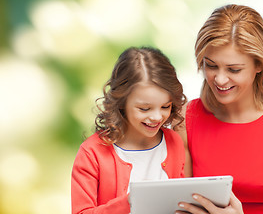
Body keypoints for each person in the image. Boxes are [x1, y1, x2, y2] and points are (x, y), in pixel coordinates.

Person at [176, 4, 263, 214]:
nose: (220, 79)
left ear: (259, 65)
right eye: (211, 65)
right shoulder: (187, 117)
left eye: (234, 69)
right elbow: (178, 203)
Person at [71, 47, 187, 214]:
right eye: (144, 109)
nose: (156, 117)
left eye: (165, 106)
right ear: (122, 103)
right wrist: (131, 202)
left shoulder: (173, 142)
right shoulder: (92, 153)